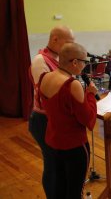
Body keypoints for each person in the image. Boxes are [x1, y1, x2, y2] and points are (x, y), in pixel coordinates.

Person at [38, 42, 97, 199]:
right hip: (73, 146)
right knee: (74, 191)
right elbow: (89, 121)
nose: (85, 66)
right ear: (75, 62)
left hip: (52, 142)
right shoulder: (72, 84)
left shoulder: (44, 77)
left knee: (60, 186)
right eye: (84, 62)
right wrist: (90, 94)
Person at [28, 25, 74, 199]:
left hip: (56, 119)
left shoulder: (58, 58)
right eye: (68, 43)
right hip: (44, 120)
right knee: (53, 164)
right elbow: (47, 97)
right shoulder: (41, 61)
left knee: (60, 163)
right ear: (55, 39)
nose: (71, 47)